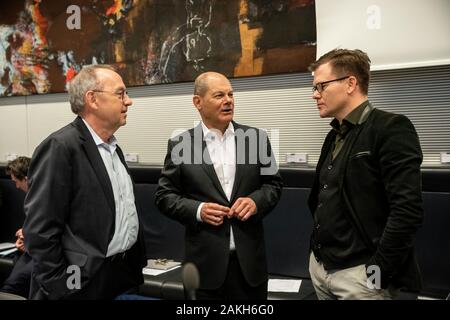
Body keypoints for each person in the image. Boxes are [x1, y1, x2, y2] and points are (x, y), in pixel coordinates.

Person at [307, 49, 424, 299]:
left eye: (321, 86)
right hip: (321, 269)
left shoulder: (390, 128)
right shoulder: (333, 135)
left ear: (351, 83)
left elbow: (407, 210)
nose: (314, 94)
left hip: (361, 277)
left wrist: (377, 272)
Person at [155, 71, 283, 300]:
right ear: (198, 102)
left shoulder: (256, 138)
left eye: (231, 94)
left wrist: (256, 201)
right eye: (219, 95)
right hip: (204, 270)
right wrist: (198, 210)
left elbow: (273, 185)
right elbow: (164, 196)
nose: (228, 101)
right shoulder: (181, 144)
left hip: (250, 269)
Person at [22, 65, 146, 300]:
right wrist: (64, 285)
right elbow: (40, 231)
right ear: (93, 99)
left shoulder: (113, 148)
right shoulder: (60, 147)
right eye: (121, 94)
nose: (128, 101)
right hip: (79, 282)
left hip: (119, 276)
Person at [0, 156, 32, 298]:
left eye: (17, 182)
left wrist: (28, 237)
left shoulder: (44, 198)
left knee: (10, 288)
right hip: (30, 251)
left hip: (42, 255)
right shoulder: (33, 197)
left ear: (26, 179)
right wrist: (24, 233)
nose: (17, 187)